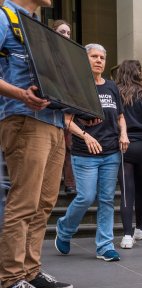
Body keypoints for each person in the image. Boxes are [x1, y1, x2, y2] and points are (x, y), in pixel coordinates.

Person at [0, 0, 73, 288]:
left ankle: (30, 270)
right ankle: (10, 277)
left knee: (44, 202)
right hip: (24, 118)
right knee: (24, 200)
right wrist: (20, 94)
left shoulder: (35, 25)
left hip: (53, 121)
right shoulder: (4, 17)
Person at [55, 43, 129, 262]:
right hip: (84, 153)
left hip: (111, 152)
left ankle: (104, 245)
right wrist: (86, 136)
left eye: (102, 57)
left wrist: (123, 134)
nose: (99, 60)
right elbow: (66, 121)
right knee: (86, 197)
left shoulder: (112, 87)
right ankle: (65, 229)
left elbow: (120, 116)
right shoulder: (76, 86)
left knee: (106, 199)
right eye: (94, 56)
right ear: (85, 60)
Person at [114, 60, 142, 249]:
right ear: (138, 72)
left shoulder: (115, 90)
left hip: (124, 145)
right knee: (141, 190)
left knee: (127, 192)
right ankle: (139, 228)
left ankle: (126, 236)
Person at [50, 19, 77, 195]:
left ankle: (70, 184)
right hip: (49, 108)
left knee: (68, 147)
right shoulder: (47, 52)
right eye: (62, 32)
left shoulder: (71, 57)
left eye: (68, 33)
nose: (66, 35)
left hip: (68, 108)